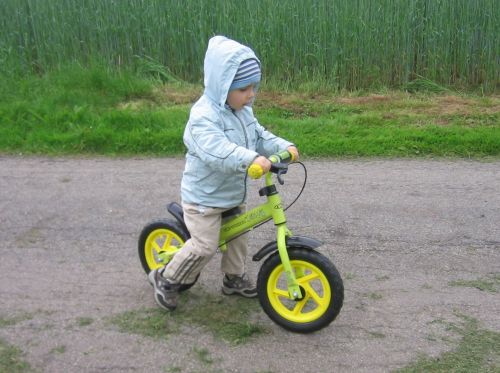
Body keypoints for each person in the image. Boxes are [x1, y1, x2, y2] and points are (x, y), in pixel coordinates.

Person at [148, 35, 299, 310]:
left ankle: (234, 279)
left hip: (229, 194)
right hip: (204, 198)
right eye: (244, 89)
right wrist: (252, 158)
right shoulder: (202, 117)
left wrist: (282, 146)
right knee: (205, 246)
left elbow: (259, 135)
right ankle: (165, 278)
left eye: (254, 87)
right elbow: (218, 151)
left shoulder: (243, 112)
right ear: (223, 86)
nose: (251, 94)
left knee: (239, 234)